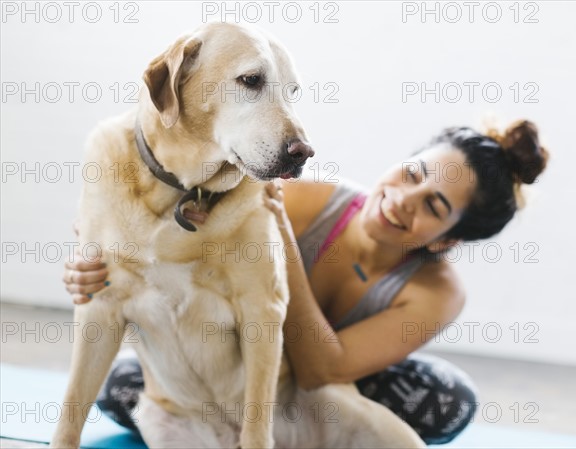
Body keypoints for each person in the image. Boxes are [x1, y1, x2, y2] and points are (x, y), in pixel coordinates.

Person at [63, 120, 548, 444]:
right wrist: (92, 263)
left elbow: (322, 369)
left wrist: (282, 246)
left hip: (332, 379)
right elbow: (172, 251)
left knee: (450, 401)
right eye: (412, 174)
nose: (404, 200)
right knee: (120, 382)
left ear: (446, 241)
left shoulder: (437, 292)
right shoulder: (305, 199)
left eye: (434, 206)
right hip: (241, 360)